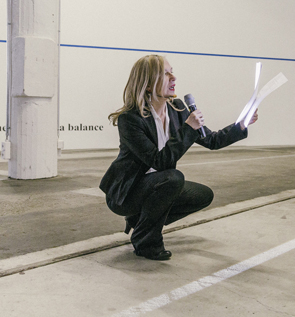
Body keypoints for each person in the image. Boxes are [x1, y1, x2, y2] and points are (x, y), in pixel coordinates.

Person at [100, 55, 258, 260]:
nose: (173, 78)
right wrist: (188, 129)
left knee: (203, 195)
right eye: (165, 74)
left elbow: (212, 140)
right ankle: (146, 242)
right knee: (173, 178)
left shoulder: (178, 109)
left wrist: (242, 124)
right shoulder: (130, 119)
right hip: (126, 193)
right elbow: (159, 162)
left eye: (172, 72)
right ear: (148, 84)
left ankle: (140, 221)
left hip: (158, 186)